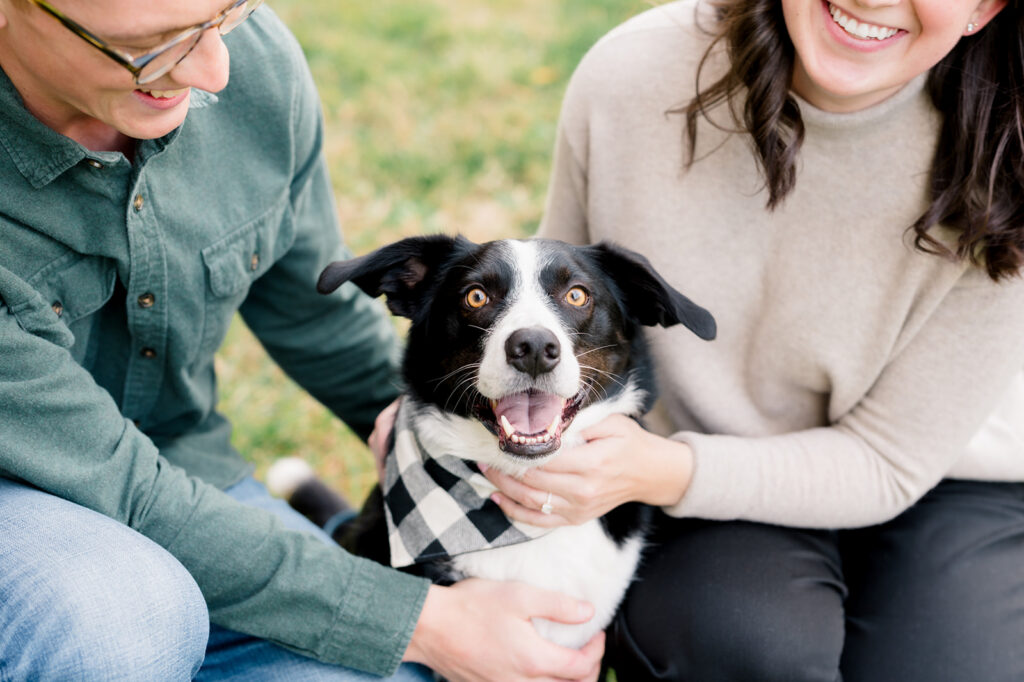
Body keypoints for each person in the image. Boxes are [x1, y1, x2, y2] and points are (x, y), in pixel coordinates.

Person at [0, 0, 606, 680]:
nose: (215, 71)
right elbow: (125, 487)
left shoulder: (250, 63)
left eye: (224, 17)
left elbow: (313, 317)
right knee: (122, 623)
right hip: (27, 498)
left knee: (387, 670)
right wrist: (426, 623)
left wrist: (428, 427)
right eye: (152, 45)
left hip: (188, 472)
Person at [479, 0, 1024, 679]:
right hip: (698, 458)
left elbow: (888, 461)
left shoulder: (1011, 149)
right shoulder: (634, 73)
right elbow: (560, 307)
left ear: (985, 8)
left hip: (946, 474)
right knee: (742, 645)